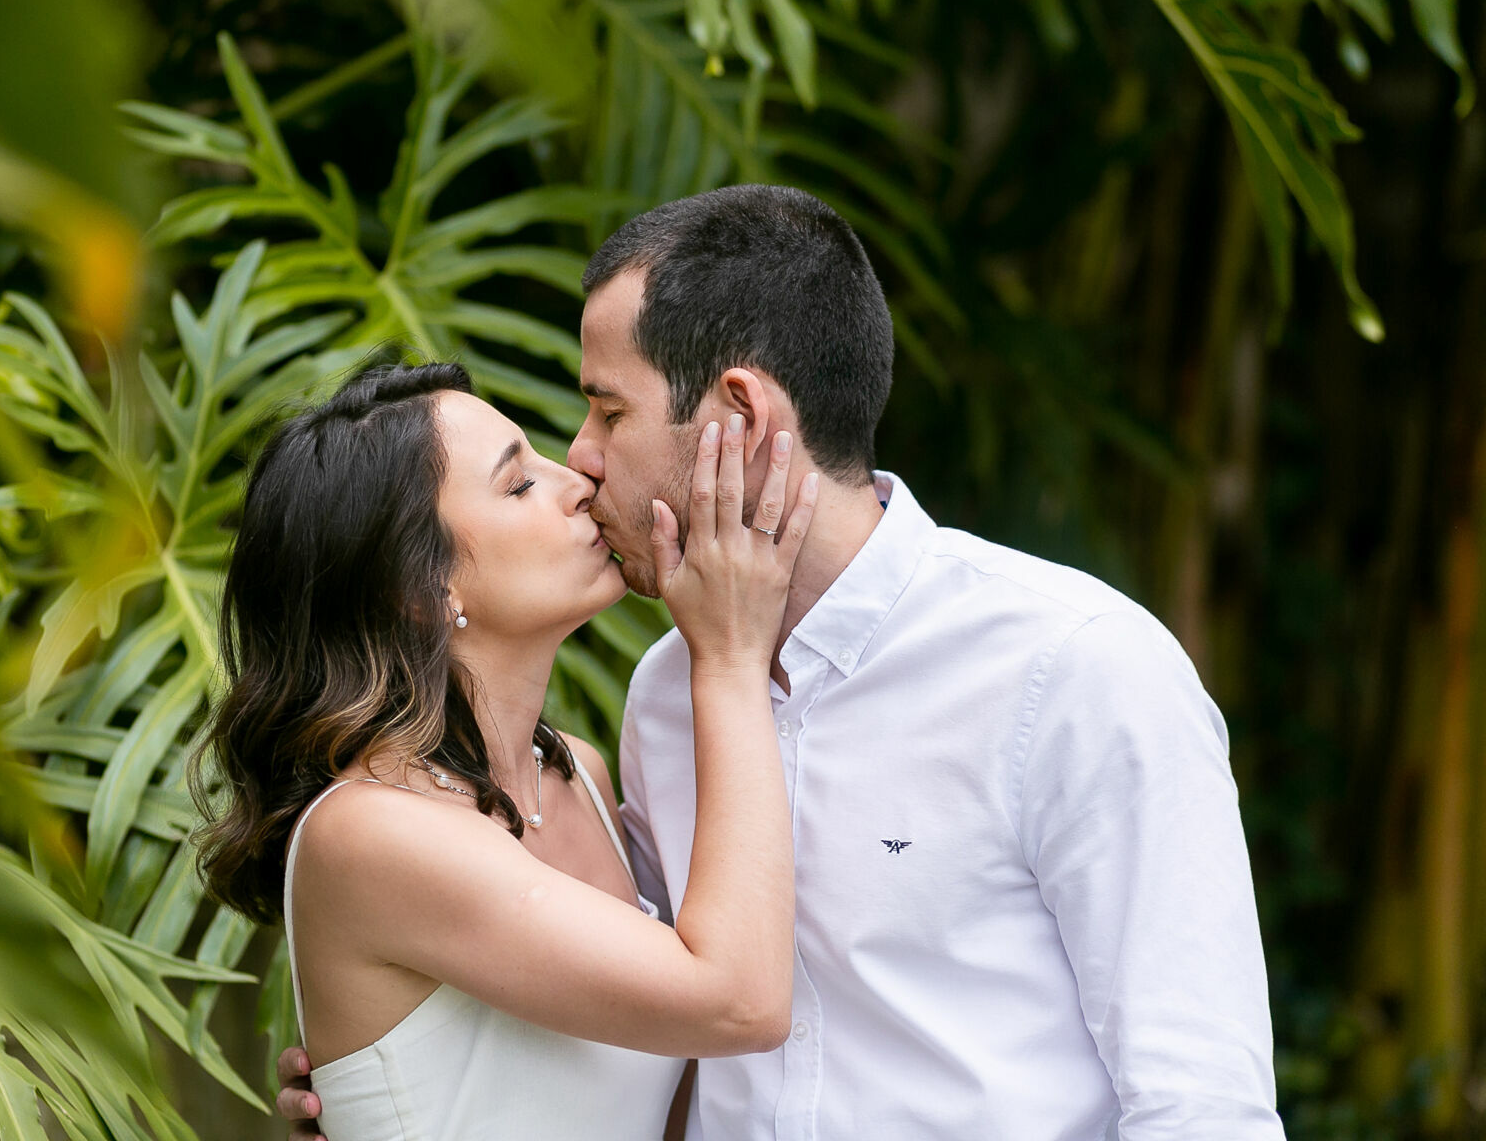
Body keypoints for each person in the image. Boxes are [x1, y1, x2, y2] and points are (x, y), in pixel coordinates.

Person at [279, 185, 1286, 1140]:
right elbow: (654, 1022)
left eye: (610, 411)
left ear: (743, 418)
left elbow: (1202, 1105)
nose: (580, 459)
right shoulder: (667, 697)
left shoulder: (1076, 670)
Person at [190, 360, 821, 1140]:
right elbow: (741, 1002)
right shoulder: (371, 833)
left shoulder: (580, 776)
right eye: (519, 485)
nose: (579, 483)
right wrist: (728, 658)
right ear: (422, 588)